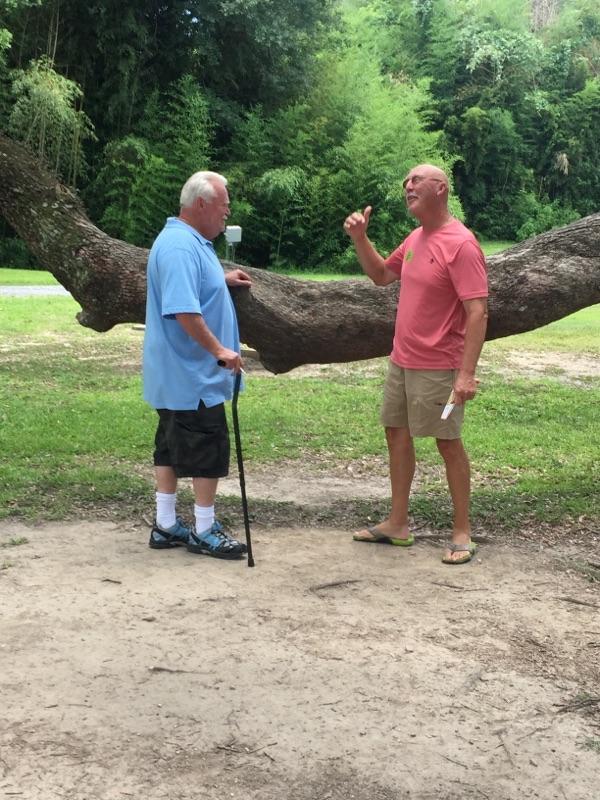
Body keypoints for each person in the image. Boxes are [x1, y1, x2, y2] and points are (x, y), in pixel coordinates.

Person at [343, 164, 488, 564]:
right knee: (396, 434)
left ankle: (462, 532)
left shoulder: (461, 244)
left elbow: (478, 312)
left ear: (440, 189)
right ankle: (397, 523)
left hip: (439, 367)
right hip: (402, 361)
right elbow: (380, 275)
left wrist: (466, 374)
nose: (407, 185)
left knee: (447, 443)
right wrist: (360, 238)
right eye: (406, 181)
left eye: (416, 180)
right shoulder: (415, 238)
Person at [143, 170, 252, 559]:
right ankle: (205, 530)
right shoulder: (179, 246)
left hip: (176, 375)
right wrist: (220, 350)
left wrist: (220, 279)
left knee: (169, 447)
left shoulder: (187, 241)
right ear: (202, 203)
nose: (227, 212)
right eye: (224, 204)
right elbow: (184, 310)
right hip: (192, 376)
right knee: (208, 449)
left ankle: (166, 525)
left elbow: (190, 284)